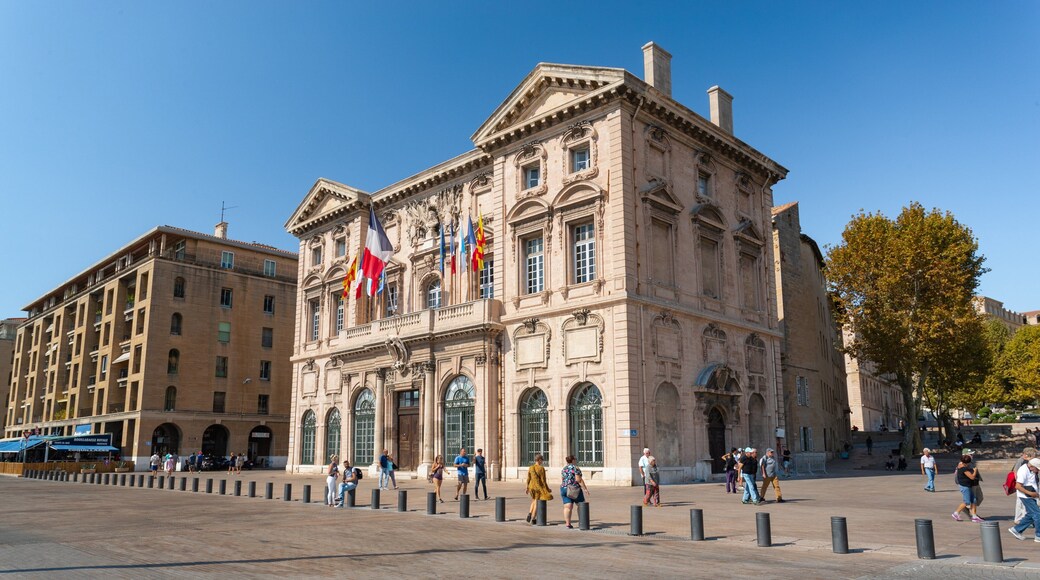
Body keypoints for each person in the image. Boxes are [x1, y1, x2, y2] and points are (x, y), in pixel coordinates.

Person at [1008, 457, 1040, 541]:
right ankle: (1038, 535)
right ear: (1032, 466)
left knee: (1031, 514)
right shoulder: (1023, 470)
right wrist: (1031, 493)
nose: (1038, 471)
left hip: (1031, 495)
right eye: (1037, 469)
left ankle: (1016, 529)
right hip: (1025, 496)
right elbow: (1018, 486)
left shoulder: (1031, 470)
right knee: (1037, 514)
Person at [952, 454, 983, 522]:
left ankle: (974, 516)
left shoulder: (960, 465)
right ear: (968, 462)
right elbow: (972, 477)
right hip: (965, 487)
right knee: (967, 502)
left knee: (974, 500)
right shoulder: (963, 468)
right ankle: (956, 513)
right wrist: (975, 471)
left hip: (968, 486)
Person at [561, 455, 589, 529]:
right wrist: (585, 489)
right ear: (573, 460)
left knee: (567, 506)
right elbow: (578, 479)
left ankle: (568, 524)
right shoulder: (575, 468)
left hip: (564, 488)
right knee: (581, 505)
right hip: (574, 488)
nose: (576, 460)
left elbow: (562, 478)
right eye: (575, 459)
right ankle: (582, 522)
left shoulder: (564, 468)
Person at [1012, 447, 1037, 524]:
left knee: (1025, 504)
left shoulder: (1030, 462)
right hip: (1022, 486)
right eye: (1033, 455)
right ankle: (1019, 519)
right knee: (1021, 503)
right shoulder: (1021, 461)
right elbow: (1015, 471)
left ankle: (1024, 519)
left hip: (1028, 486)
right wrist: (1019, 481)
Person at [525, 454, 552, 524]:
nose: (542, 461)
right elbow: (543, 480)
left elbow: (528, 478)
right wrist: (547, 489)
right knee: (537, 502)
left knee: (533, 500)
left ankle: (529, 513)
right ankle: (533, 519)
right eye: (542, 460)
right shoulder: (541, 468)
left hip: (531, 487)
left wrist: (527, 487)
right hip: (538, 487)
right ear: (539, 460)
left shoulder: (531, 467)